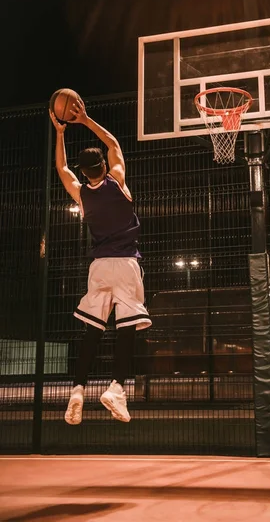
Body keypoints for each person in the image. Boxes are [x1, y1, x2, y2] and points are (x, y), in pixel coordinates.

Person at [49, 97, 152, 425]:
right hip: (124, 264)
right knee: (127, 329)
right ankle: (116, 388)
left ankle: (77, 389)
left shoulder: (83, 194)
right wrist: (86, 120)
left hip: (98, 268)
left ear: (84, 173)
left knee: (92, 331)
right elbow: (113, 143)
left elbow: (61, 169)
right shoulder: (118, 183)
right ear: (105, 168)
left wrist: (61, 132)